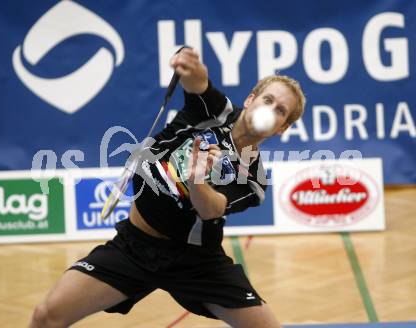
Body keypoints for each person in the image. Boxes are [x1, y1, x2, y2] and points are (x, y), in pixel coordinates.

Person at [29, 48, 305, 328]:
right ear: (250, 99)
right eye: (267, 99)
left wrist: (197, 181)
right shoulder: (215, 111)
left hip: (196, 262)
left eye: (280, 110)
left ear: (283, 127)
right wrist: (190, 64)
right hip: (134, 247)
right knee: (46, 316)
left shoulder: (254, 180)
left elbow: (210, 210)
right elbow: (198, 83)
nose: (269, 110)